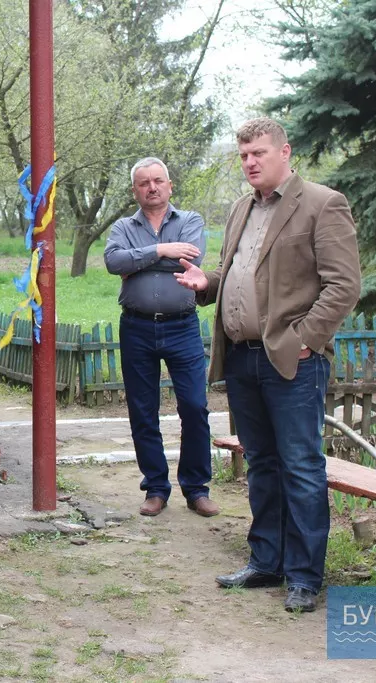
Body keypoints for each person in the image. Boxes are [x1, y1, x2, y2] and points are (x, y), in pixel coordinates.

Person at [175, 118, 361, 613]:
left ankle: (303, 576)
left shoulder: (323, 204)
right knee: (261, 463)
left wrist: (305, 340)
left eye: (258, 153)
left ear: (285, 151)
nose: (250, 162)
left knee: (301, 466)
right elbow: (239, 272)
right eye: (243, 156)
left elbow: (343, 285)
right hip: (241, 356)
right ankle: (267, 561)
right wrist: (207, 283)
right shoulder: (240, 208)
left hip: (293, 361)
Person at [103, 157, 218, 518]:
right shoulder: (123, 225)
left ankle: (197, 489)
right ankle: (155, 487)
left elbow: (189, 260)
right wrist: (161, 250)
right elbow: (112, 262)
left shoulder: (191, 221)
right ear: (135, 190)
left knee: (195, 407)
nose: (151, 187)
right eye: (143, 183)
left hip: (181, 325)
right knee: (143, 410)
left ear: (169, 185)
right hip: (136, 326)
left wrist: (138, 261)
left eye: (157, 181)